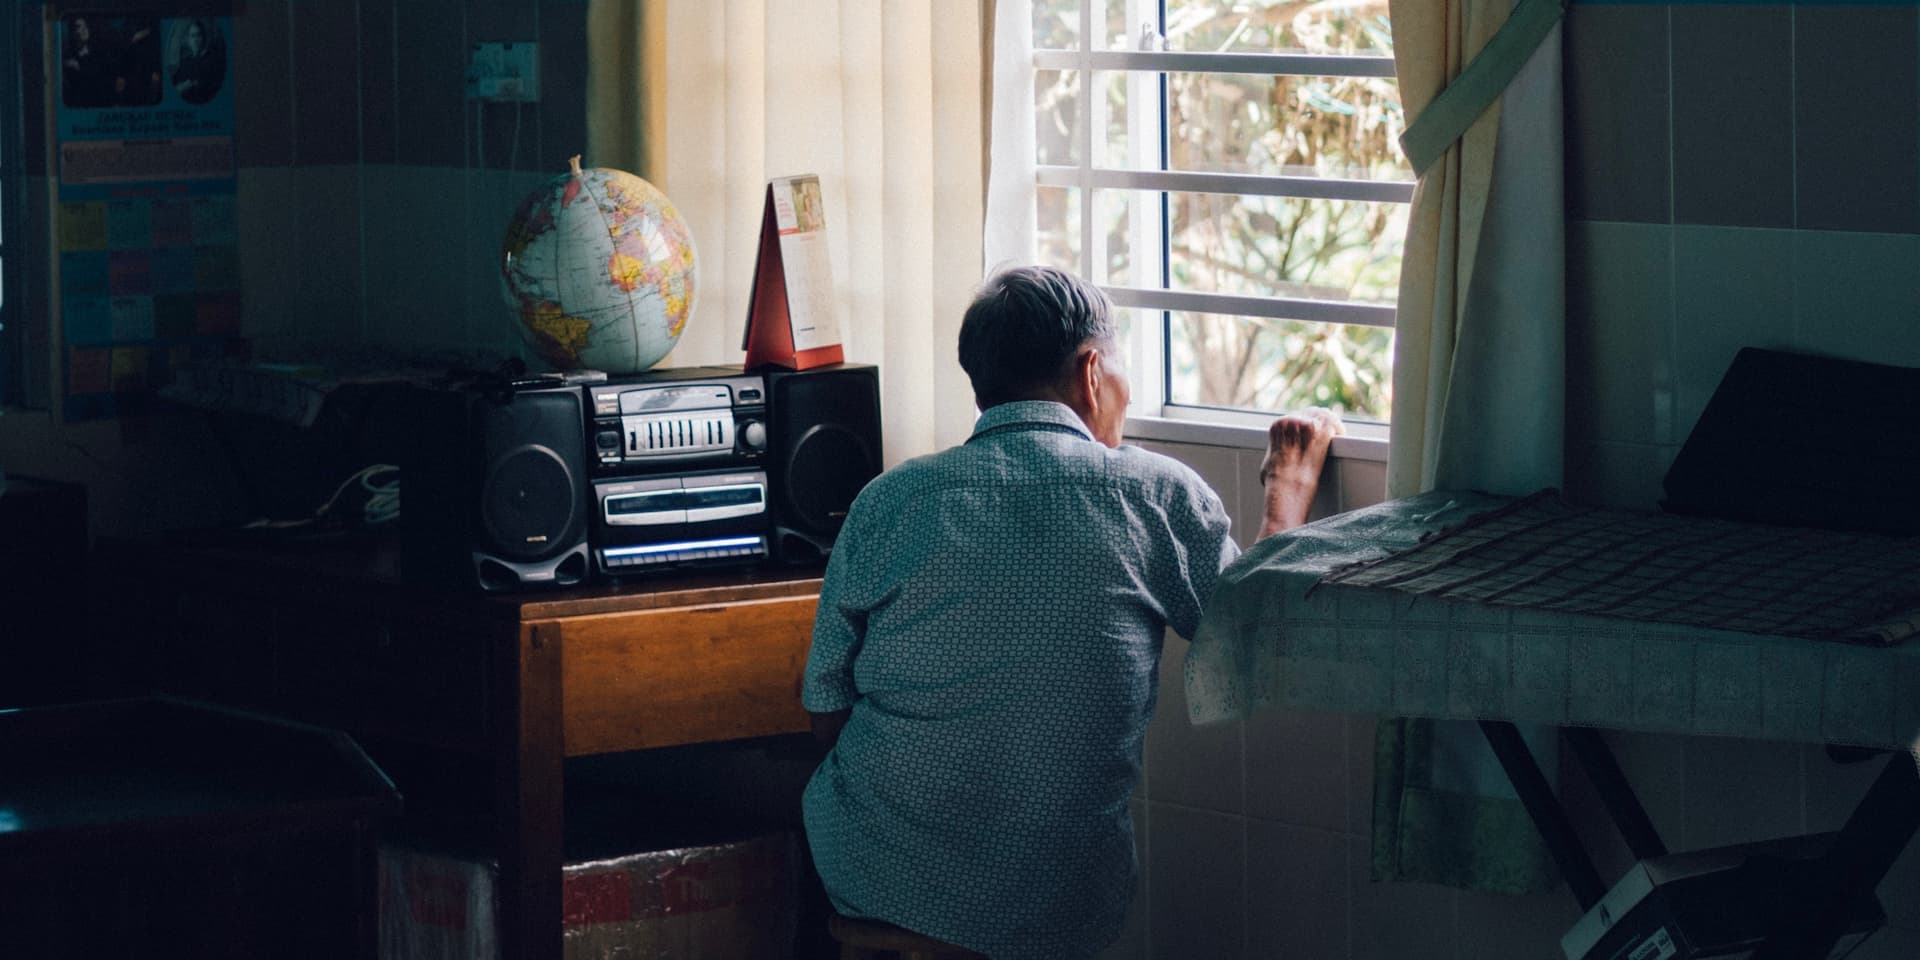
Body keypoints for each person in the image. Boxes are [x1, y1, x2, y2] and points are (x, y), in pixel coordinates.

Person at [799, 265, 1341, 959]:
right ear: (1092, 372)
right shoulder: (1152, 496)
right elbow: (1257, 644)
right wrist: (1287, 487)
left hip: (869, 871)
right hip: (1050, 897)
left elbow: (825, 709)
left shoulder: (889, 500)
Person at [170, 18, 225, 105]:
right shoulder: (185, 62)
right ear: (188, 40)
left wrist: (188, 85)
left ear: (203, 38)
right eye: (192, 36)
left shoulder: (211, 60)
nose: (195, 40)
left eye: (198, 35)